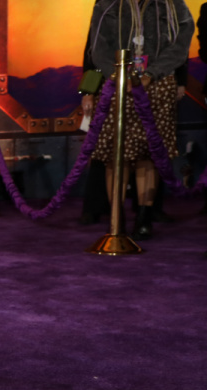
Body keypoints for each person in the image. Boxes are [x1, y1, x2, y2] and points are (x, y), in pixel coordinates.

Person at [87, 0, 193, 240]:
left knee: (150, 154)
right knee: (115, 156)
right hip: (116, 84)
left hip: (158, 84)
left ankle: (144, 216)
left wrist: (151, 74)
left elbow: (181, 42)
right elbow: (98, 45)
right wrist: (117, 76)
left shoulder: (172, 3)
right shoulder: (106, 3)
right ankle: (117, 217)